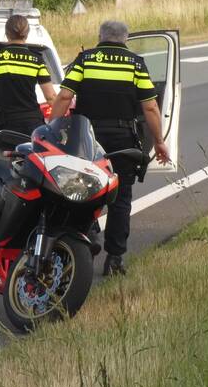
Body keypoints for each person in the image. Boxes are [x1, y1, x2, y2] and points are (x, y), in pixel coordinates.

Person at [49, 20, 171, 276]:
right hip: (122, 140)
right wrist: (159, 141)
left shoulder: (85, 59)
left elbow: (63, 97)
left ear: (99, 36)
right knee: (120, 199)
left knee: (78, 191)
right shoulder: (136, 63)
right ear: (125, 39)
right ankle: (114, 258)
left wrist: (52, 131)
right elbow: (150, 107)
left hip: (85, 138)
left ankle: (84, 240)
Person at [0, 15, 57, 137]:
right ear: (27, 33)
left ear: (6, 33)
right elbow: (51, 97)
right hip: (32, 123)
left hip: (5, 122)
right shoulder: (37, 60)